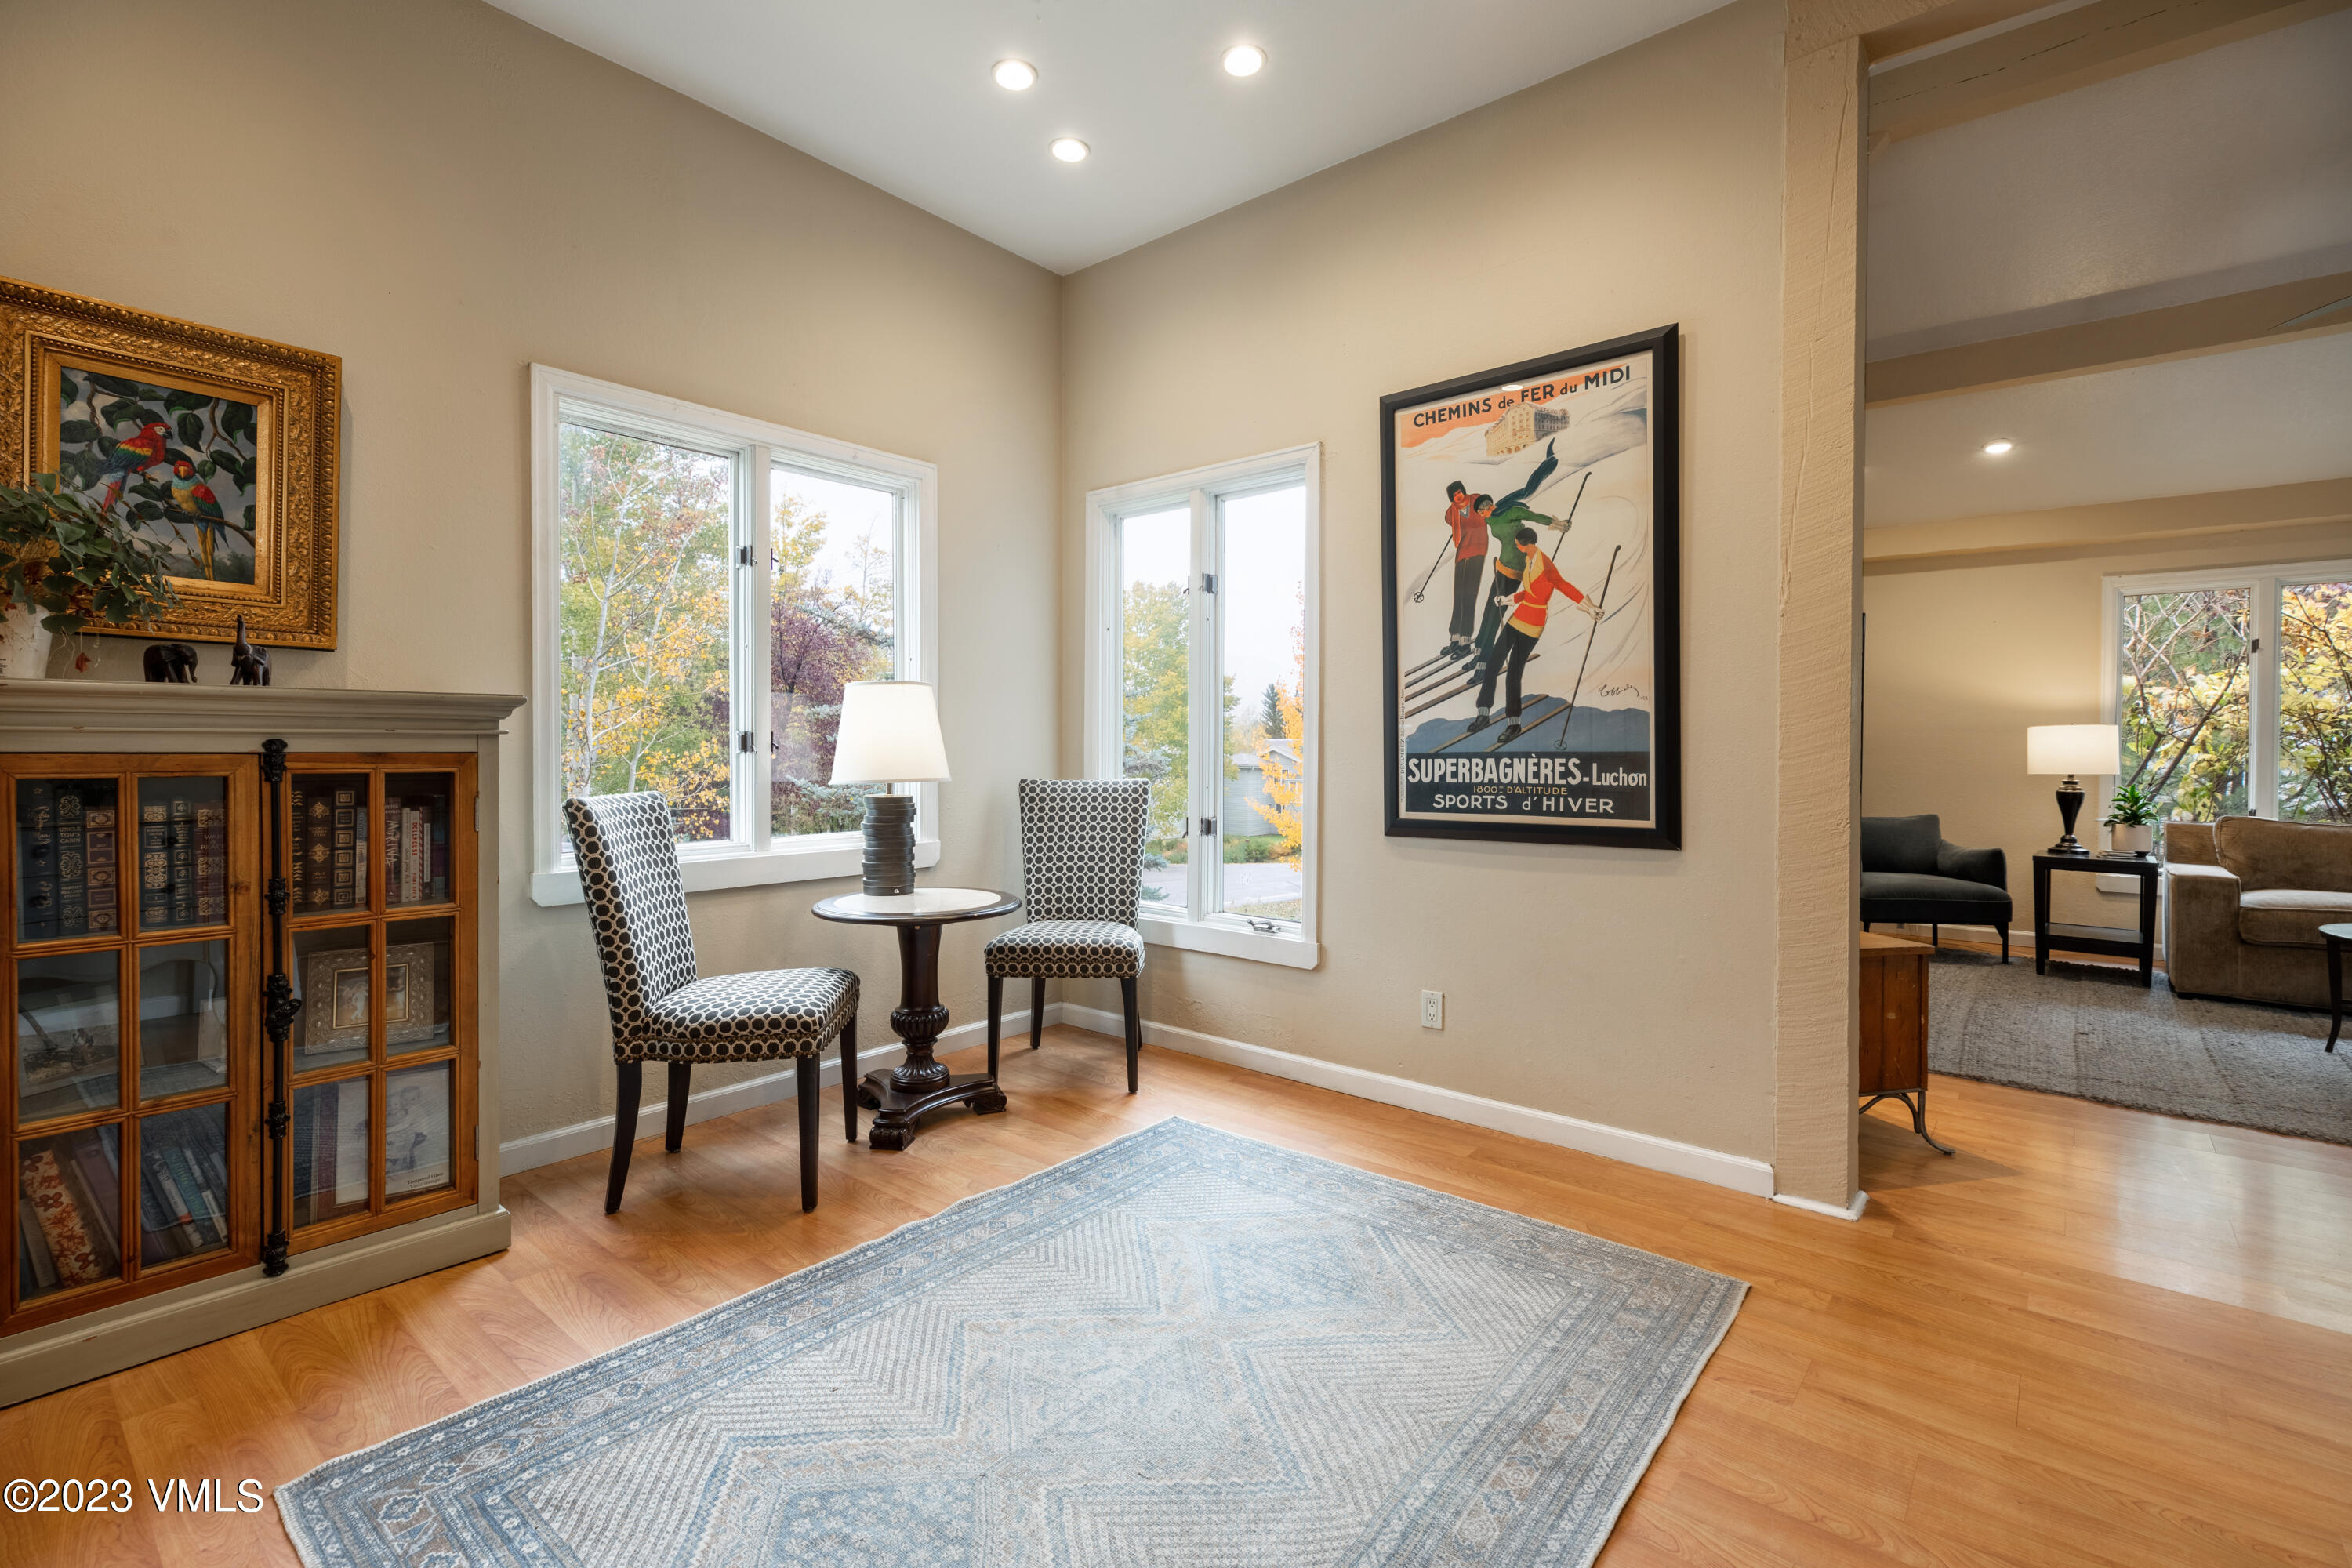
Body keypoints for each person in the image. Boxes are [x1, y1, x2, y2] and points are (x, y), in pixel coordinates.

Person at [1468, 527, 1598, 742]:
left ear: (1526, 544)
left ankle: (1513, 724)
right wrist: (1507, 600)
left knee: (1513, 673)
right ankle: (1483, 714)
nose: (1517, 547)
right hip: (1518, 617)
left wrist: (1590, 607)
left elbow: (1564, 586)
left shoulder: (1545, 565)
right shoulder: (1529, 560)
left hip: (1534, 622)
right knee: (1493, 662)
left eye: (1519, 544)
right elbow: (1528, 593)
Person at [1473, 440, 1564, 654]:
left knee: (1498, 612)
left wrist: (1556, 524)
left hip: (1516, 571)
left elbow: (1532, 516)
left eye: (1481, 512)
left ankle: (1485, 655)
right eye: (1480, 515)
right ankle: (1478, 649)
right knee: (1489, 610)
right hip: (1502, 568)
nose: (1482, 517)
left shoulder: (1511, 512)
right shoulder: (1490, 520)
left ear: (1488, 507)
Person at [1441, 481, 1488, 655]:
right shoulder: (1451, 512)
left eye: (1459, 492)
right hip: (1462, 552)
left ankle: (1466, 639)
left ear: (1464, 491)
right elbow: (1448, 520)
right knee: (1459, 594)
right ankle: (1455, 637)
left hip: (1478, 549)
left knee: (1470, 594)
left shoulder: (1476, 500)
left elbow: (1489, 510)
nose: (1458, 496)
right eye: (1454, 495)